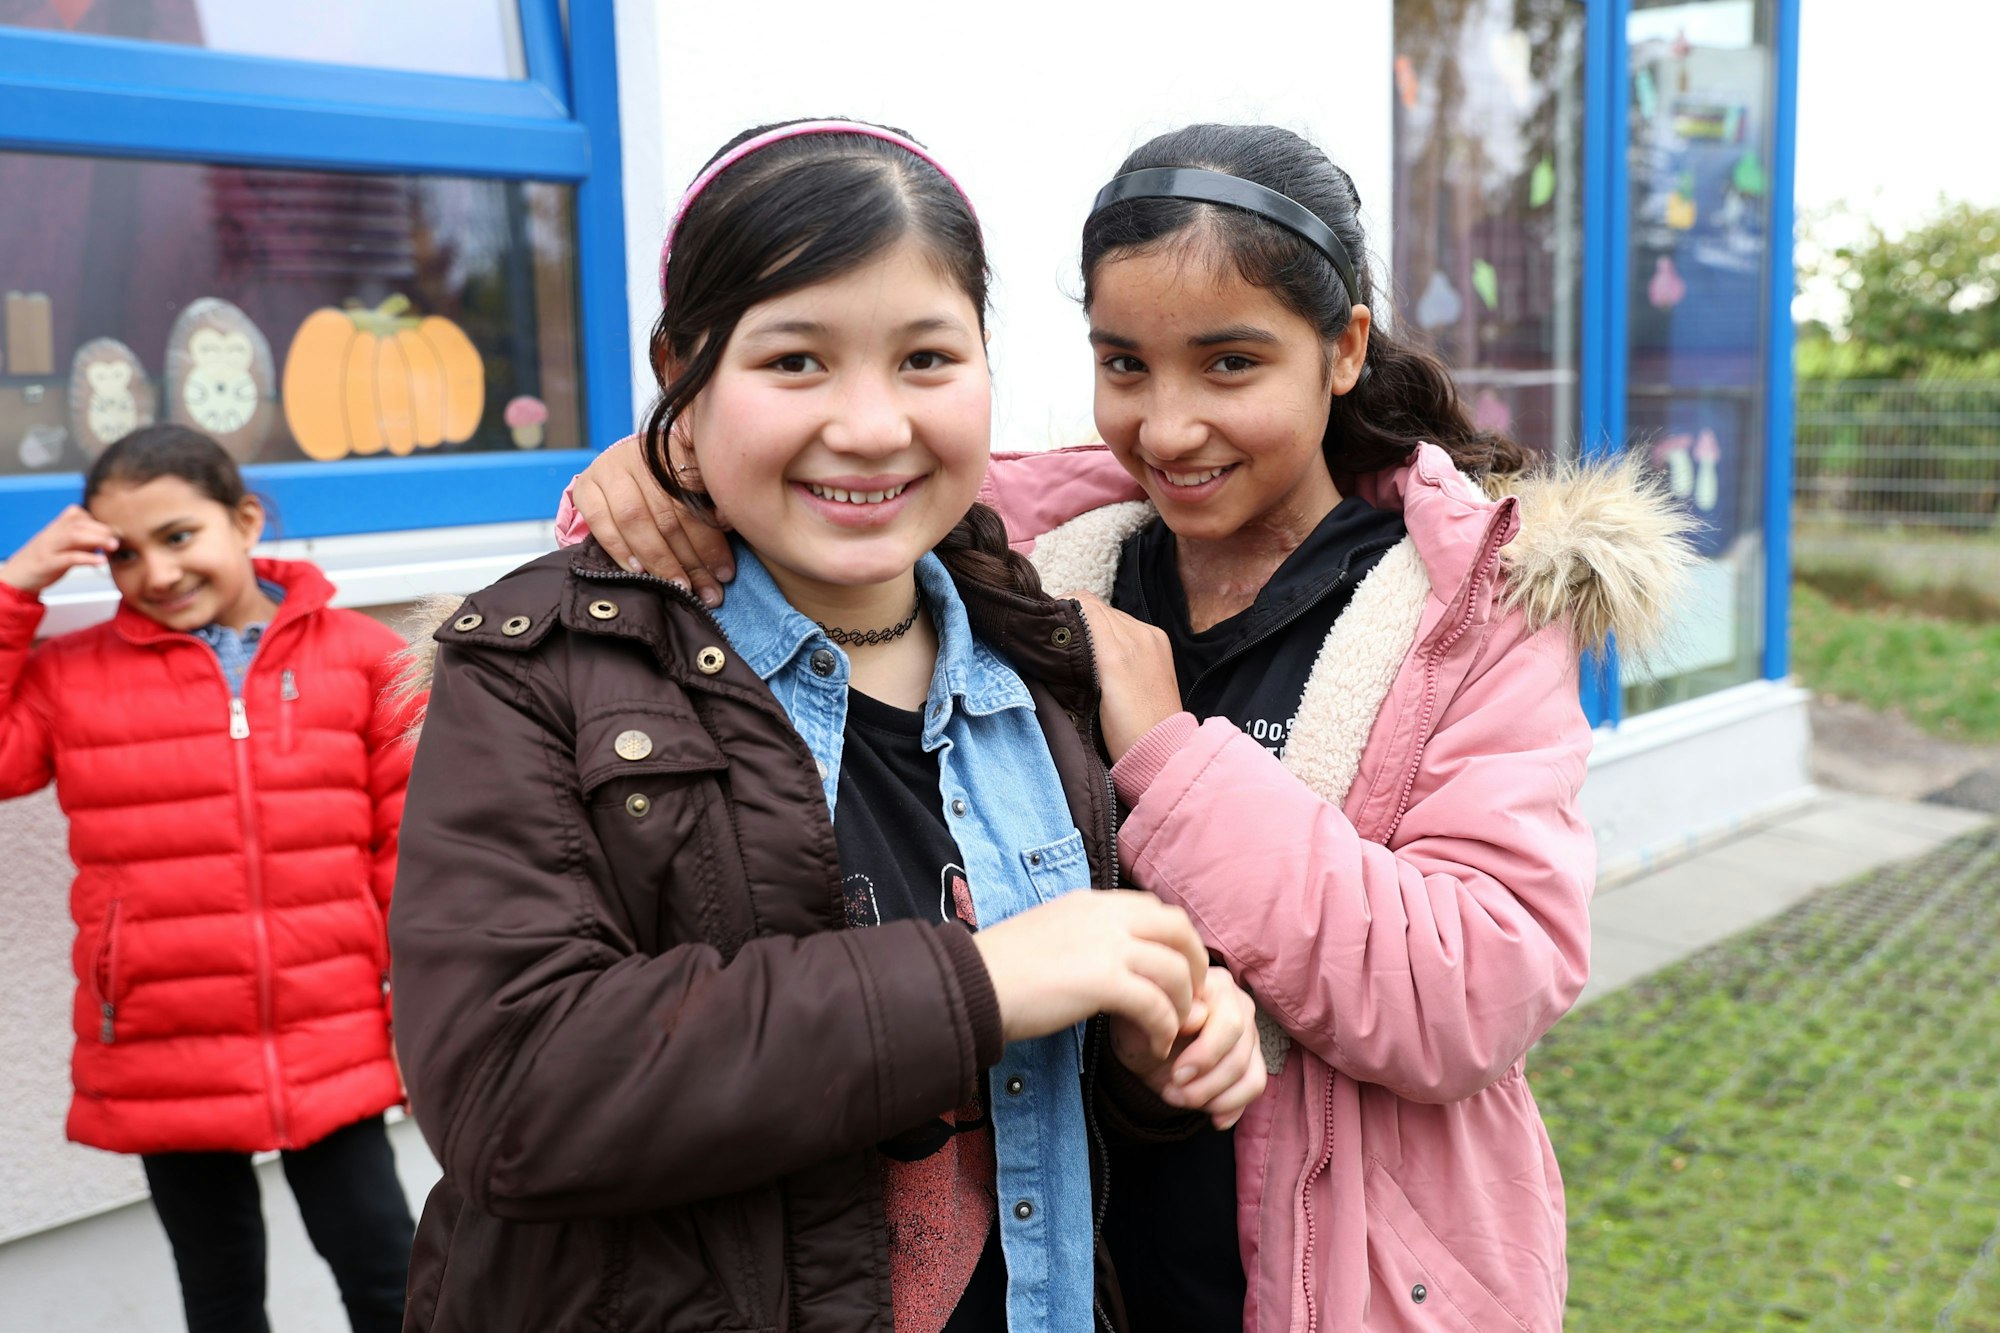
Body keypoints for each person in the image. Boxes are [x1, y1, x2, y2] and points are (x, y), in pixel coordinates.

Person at [560, 121, 1699, 1331]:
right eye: (1123, 365)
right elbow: (805, 481)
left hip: (1343, 1285)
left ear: (1343, 347)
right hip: (1057, 1277)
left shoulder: (1466, 609)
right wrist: (654, 462)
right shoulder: (1035, 562)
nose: (1165, 428)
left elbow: (1467, 992)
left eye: (1228, 366)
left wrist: (1166, 755)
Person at [389, 119, 1264, 1333]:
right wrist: (981, 979)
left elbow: (1034, 1103)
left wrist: (1147, 1054)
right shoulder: (547, 671)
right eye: (795, 361)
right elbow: (511, 1095)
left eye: (924, 358)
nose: (869, 426)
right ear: (682, 377)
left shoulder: (1038, 664)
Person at [0, 423, 419, 1333]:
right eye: (124, 554)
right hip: (162, 1046)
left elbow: (406, 858)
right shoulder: (74, 676)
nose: (155, 574)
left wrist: (416, 1017)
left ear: (243, 517)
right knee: (222, 1295)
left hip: (331, 1035)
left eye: (179, 536)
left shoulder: (359, 658)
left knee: (391, 1274)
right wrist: (15, 586)